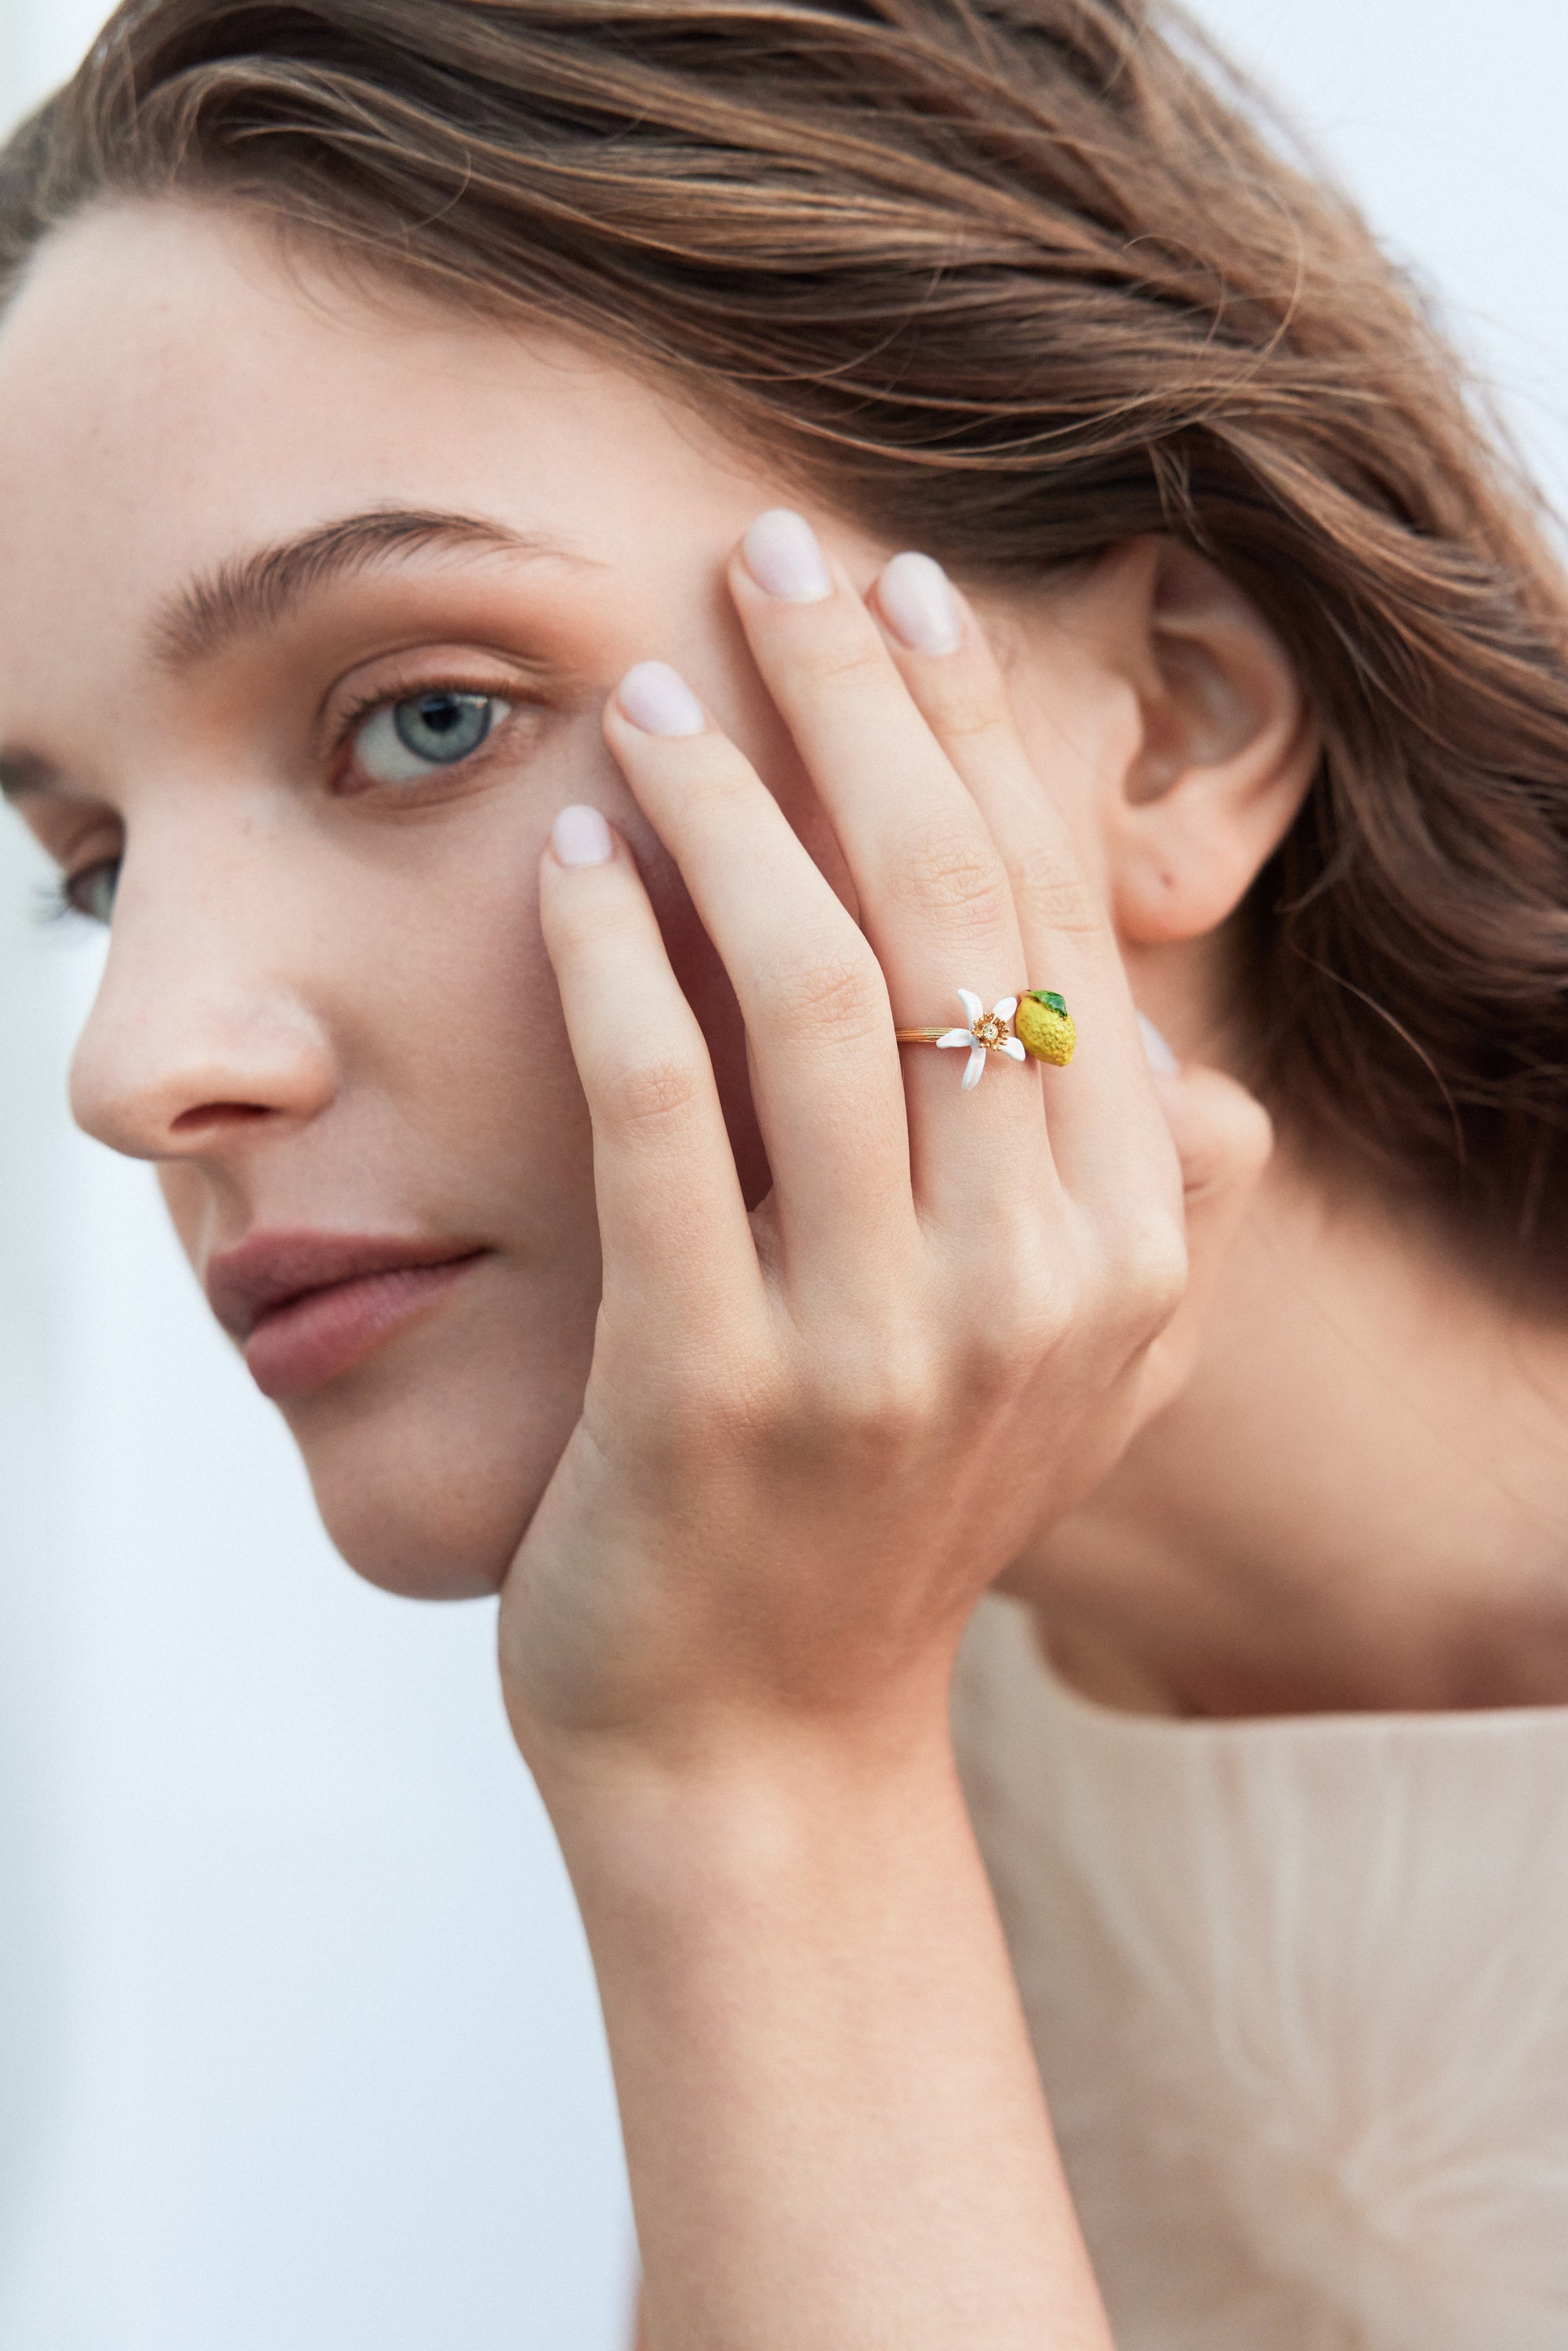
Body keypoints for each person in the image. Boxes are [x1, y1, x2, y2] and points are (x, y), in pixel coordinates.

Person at [2, 1, 1566, 2343]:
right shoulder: (801, 1668)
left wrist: (752, 1776)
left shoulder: (780, 1695)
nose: (140, 1068)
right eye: (98, 868)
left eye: (427, 716)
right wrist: (748, 1789)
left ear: (1171, 725)